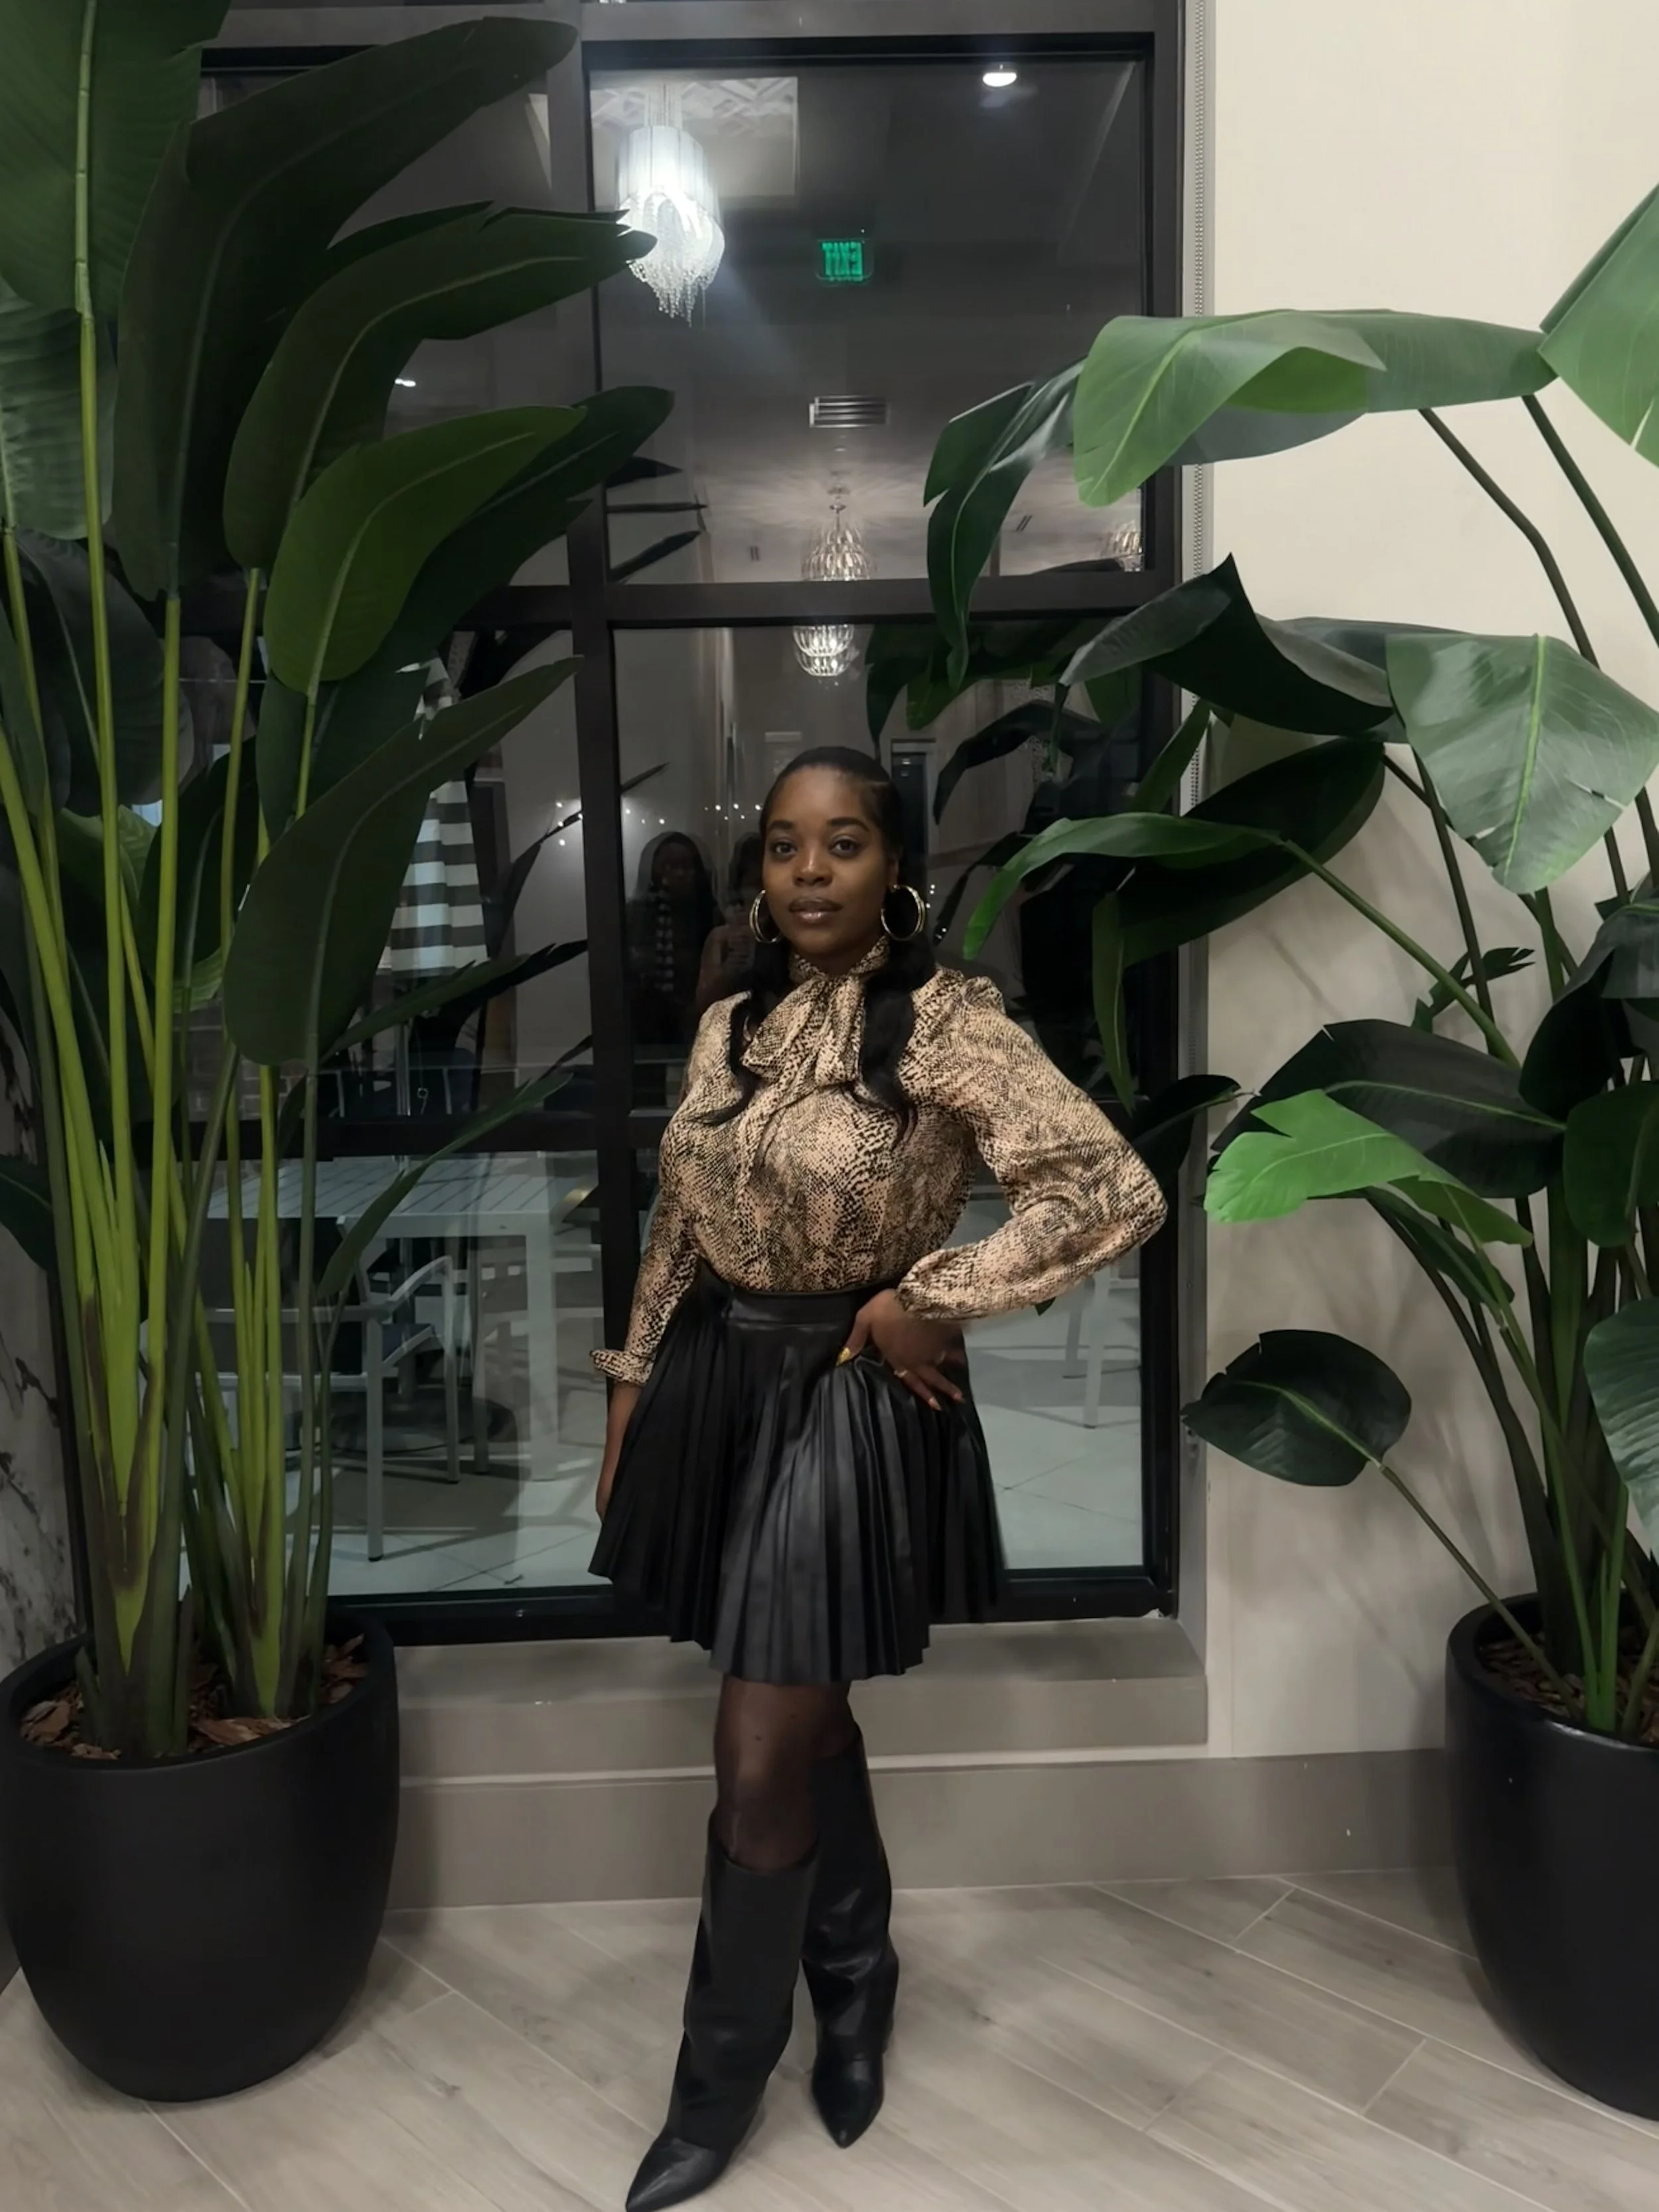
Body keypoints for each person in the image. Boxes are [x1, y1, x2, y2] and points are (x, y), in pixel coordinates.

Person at [590, 747, 1167, 2212]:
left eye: (840, 842)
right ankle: (857, 1979)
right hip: (720, 1386)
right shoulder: (728, 1023)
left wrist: (939, 1296)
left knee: (754, 1744)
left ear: (890, 865)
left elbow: (1107, 1186)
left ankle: (713, 2085)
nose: (806, 869)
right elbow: (675, 1224)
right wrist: (630, 1397)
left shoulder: (946, 1021)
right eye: (783, 845)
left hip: (850, 1392)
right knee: (805, 1709)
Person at [693, 832, 764, 1017]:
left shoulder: (793, 935)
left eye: (763, 885)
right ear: (740, 887)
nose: (760, 894)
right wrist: (732, 965)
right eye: (753, 884)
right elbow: (704, 1006)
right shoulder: (723, 938)